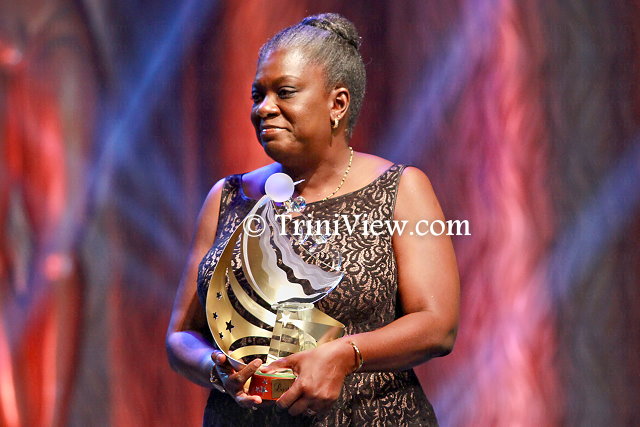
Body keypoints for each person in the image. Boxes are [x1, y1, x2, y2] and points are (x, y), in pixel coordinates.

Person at [166, 13, 459, 426]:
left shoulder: (401, 189)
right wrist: (216, 369)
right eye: (257, 94)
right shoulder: (227, 196)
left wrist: (345, 354)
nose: (264, 108)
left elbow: (438, 325)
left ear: (337, 104)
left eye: (284, 92)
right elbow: (182, 334)